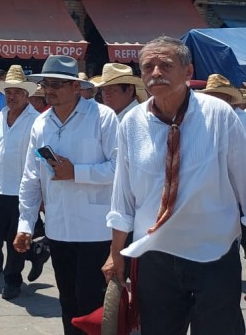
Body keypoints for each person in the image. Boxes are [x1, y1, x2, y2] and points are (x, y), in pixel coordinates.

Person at [104, 37, 246, 335]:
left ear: (187, 71)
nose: (156, 72)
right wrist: (115, 252)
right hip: (156, 256)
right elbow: (124, 196)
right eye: (148, 67)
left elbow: (243, 181)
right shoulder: (131, 123)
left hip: (214, 252)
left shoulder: (219, 115)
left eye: (166, 65)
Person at [14, 55, 118, 335]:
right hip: (58, 229)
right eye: (47, 84)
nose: (50, 89)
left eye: (58, 84)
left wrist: (77, 172)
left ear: (76, 87)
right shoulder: (41, 123)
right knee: (68, 302)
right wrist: (25, 224)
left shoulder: (102, 117)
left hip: (95, 231)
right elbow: (31, 177)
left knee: (92, 304)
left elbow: (120, 170)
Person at [0, 65, 50, 300]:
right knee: (2, 232)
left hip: (23, 190)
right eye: (8, 92)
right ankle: (35, 251)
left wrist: (41, 191)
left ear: (26, 95)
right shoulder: (0, 116)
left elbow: (41, 157)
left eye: (17, 93)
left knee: (14, 235)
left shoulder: (37, 120)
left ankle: (12, 280)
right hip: (0, 186)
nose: (11, 97)